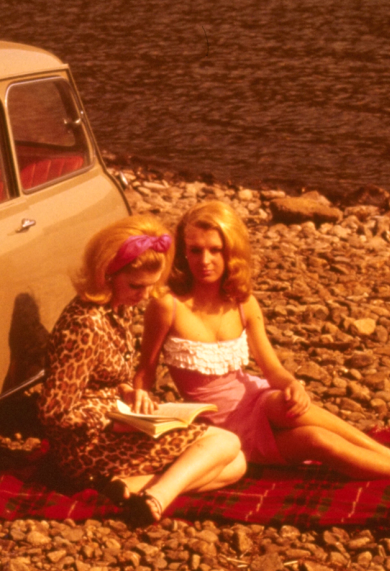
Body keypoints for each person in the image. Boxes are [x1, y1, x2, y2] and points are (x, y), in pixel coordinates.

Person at [136, 199, 390, 488]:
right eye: (195, 251)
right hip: (222, 425)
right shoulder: (167, 304)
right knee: (318, 442)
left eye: (216, 250)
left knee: (294, 407)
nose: (206, 261)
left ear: (232, 253)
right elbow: (146, 369)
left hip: (255, 397)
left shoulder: (243, 301)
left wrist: (292, 384)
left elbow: (270, 368)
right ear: (183, 253)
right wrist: (142, 399)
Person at [39, 215, 247, 526]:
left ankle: (132, 486)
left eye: (151, 286)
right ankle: (157, 498)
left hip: (114, 423)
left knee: (238, 464)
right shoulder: (86, 324)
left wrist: (130, 393)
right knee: (226, 445)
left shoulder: (117, 307)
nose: (144, 295)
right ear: (106, 275)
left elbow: (105, 379)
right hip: (85, 447)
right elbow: (53, 411)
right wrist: (114, 422)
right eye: (136, 286)